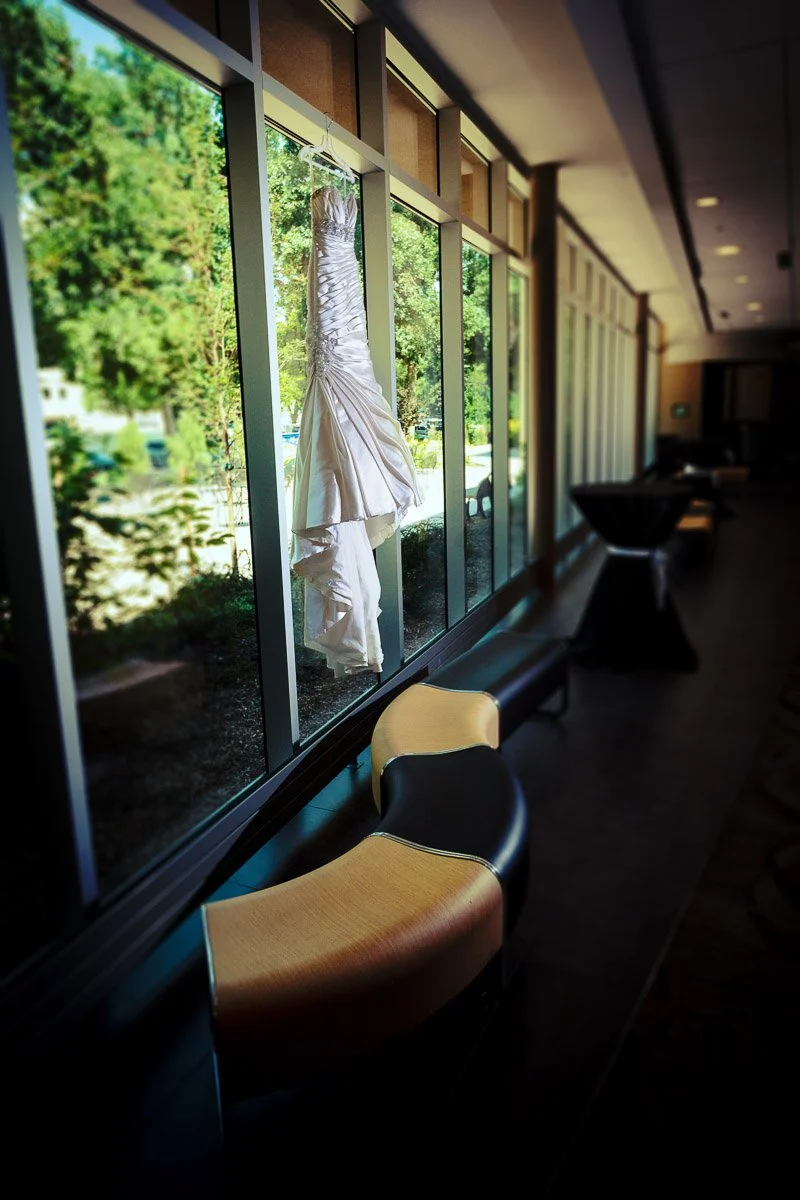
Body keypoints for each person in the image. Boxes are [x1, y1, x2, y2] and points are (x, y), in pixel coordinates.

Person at [291, 182, 423, 677]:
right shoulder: (330, 222)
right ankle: (355, 635)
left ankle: (357, 632)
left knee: (339, 481)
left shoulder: (334, 223)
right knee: (337, 478)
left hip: (346, 352)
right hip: (337, 357)